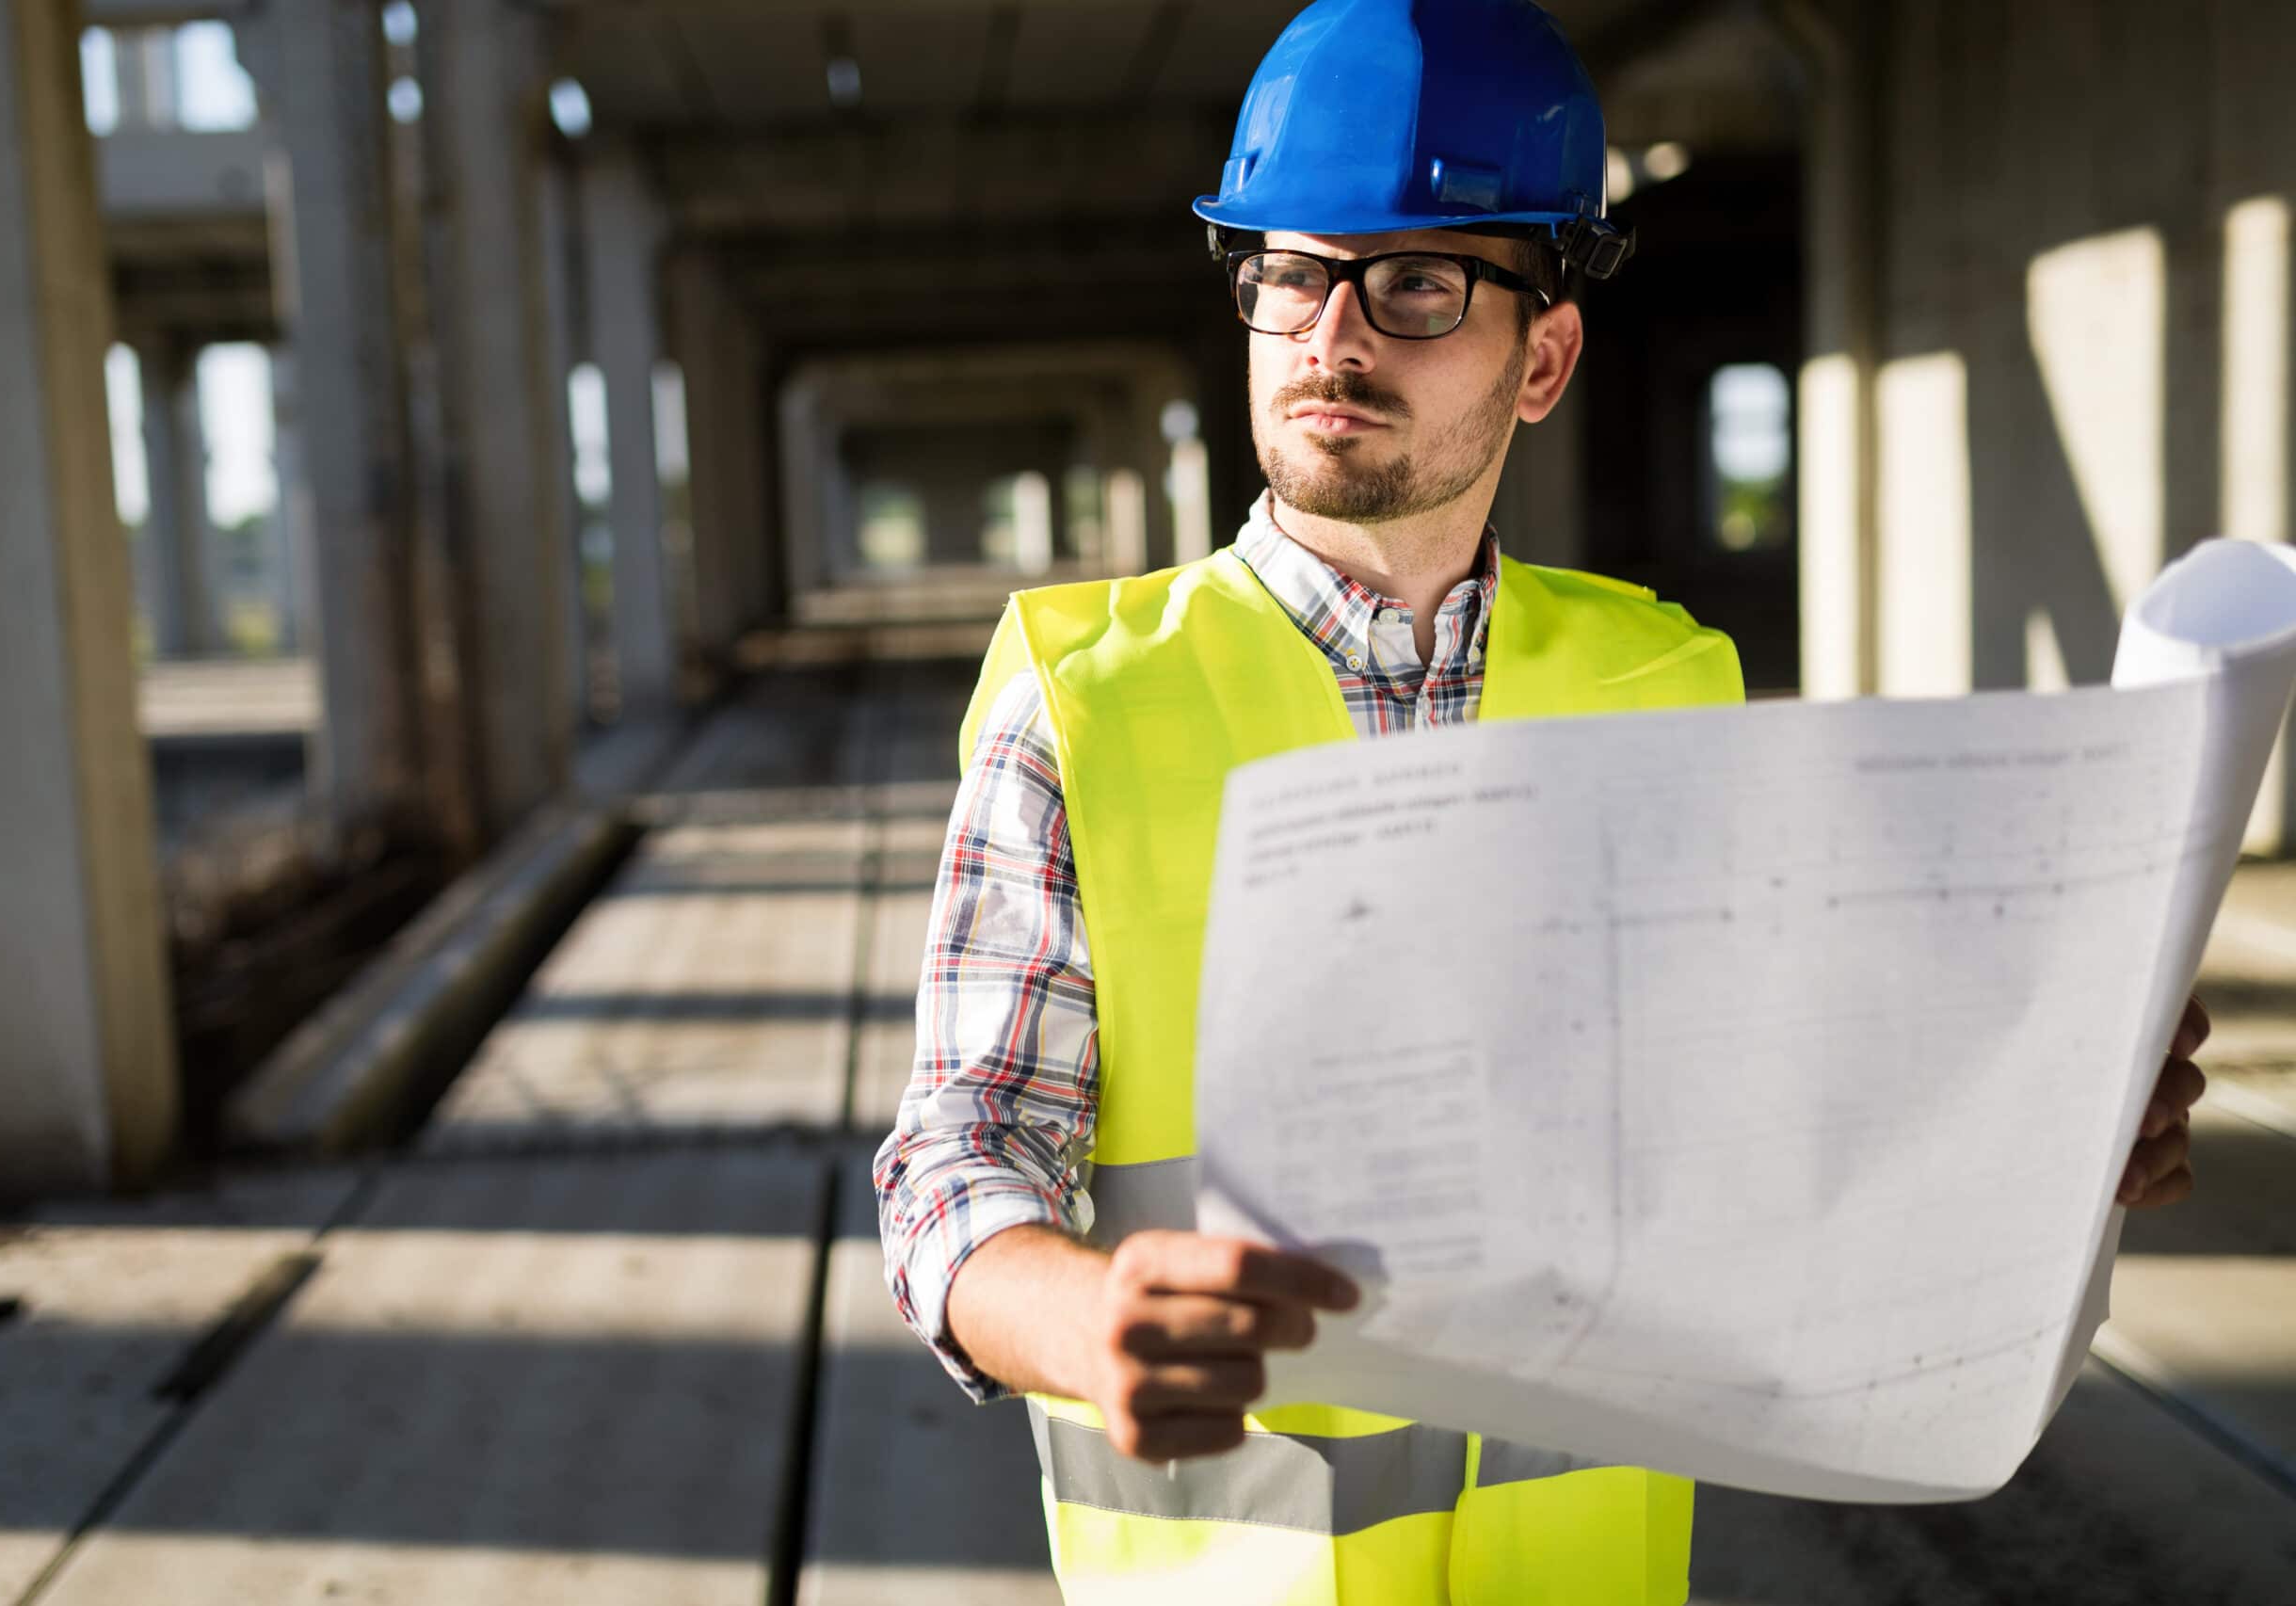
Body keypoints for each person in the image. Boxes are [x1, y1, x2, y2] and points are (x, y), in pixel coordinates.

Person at [873, 1, 2211, 1599]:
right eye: (1289, 272)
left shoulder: (1665, 687)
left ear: (1545, 357)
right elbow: (958, 1161)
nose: (1332, 337)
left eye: (1417, 282)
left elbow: (1788, 1139)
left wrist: (2050, 1116)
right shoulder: (1085, 705)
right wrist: (1085, 1320)